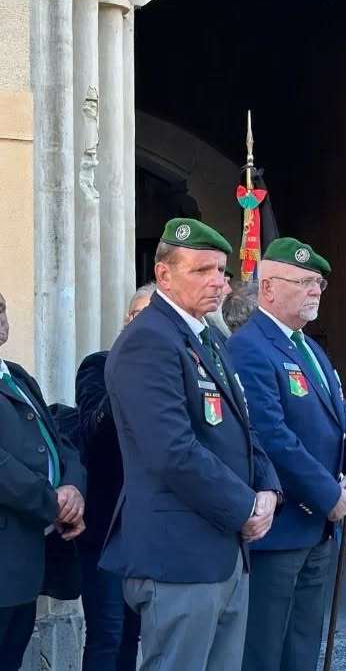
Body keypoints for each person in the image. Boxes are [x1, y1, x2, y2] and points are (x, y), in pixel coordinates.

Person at [100, 218, 282, 671]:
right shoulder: (148, 341)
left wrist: (269, 490)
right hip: (179, 557)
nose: (218, 283)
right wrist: (245, 507)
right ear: (164, 274)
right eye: (202, 270)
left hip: (222, 553)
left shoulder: (209, 338)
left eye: (222, 271)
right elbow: (172, 451)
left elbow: (244, 428)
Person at [229, 238, 346, 671]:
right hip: (283, 527)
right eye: (304, 281)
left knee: (303, 644)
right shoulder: (248, 347)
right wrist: (329, 494)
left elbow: (343, 417)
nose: (315, 291)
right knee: (266, 647)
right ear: (268, 288)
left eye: (319, 283)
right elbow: (272, 435)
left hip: (319, 528)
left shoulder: (311, 349)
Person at [0, 291, 86, 669]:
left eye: (0, 307)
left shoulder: (16, 375)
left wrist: (73, 487)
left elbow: (59, 440)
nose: (0, 316)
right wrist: (54, 504)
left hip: (25, 564)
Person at [75, 284, 154, 671]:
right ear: (127, 321)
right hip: (107, 530)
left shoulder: (177, 371)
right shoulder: (99, 366)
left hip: (153, 529)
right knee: (107, 633)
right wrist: (131, 370)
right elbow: (97, 433)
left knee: (134, 635)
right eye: (141, 316)